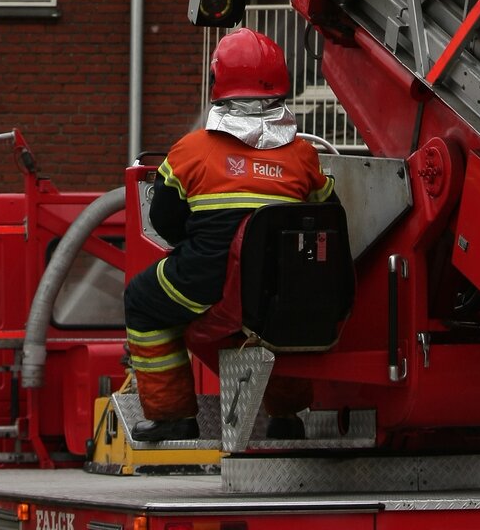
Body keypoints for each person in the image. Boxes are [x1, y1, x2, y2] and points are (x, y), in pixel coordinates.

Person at [124, 27, 336, 443]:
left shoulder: (188, 151)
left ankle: (172, 415)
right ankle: (287, 418)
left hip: (205, 283)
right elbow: (328, 213)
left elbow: (165, 220)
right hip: (277, 287)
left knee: (142, 302)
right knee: (282, 326)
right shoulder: (303, 156)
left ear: (217, 83)